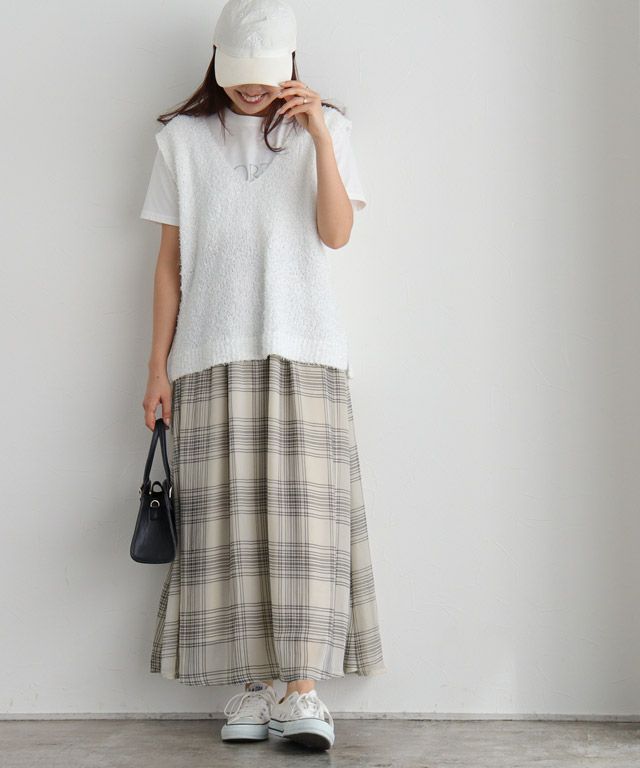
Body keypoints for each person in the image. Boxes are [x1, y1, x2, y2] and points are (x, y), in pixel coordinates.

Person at [139, 0, 386, 751]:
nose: (251, 89)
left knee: (309, 528)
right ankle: (250, 687)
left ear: (289, 66)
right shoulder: (182, 141)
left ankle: (302, 692)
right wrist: (156, 367)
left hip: (306, 351)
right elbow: (169, 266)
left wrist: (318, 135)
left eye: (265, 75)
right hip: (208, 354)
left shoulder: (326, 129)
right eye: (240, 73)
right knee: (227, 530)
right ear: (217, 60)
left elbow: (336, 234)